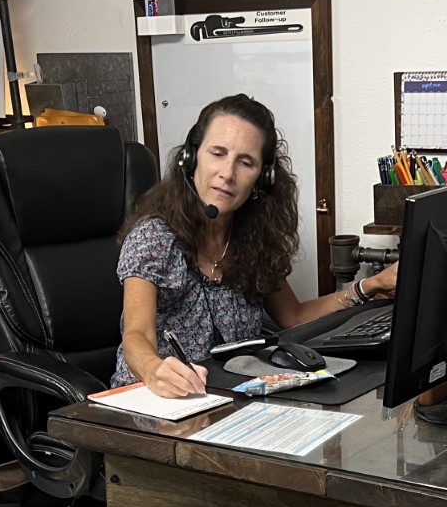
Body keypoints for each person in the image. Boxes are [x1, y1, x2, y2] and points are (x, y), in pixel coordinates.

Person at [112, 93, 398, 395]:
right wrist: (153, 369)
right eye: (217, 153)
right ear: (191, 159)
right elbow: (136, 335)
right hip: (153, 399)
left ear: (263, 179)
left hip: (228, 397)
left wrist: (371, 286)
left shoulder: (252, 239)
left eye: (245, 162)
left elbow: (295, 317)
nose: (227, 173)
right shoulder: (153, 236)